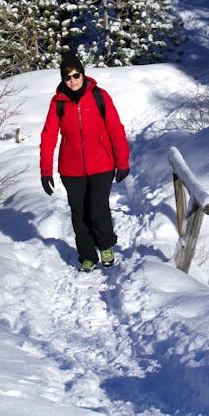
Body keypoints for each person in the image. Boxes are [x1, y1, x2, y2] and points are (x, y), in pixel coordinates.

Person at [40, 52, 130, 272]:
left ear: (83, 73)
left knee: (98, 208)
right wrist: (45, 170)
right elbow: (49, 135)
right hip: (71, 169)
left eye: (75, 74)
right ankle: (87, 255)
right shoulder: (58, 102)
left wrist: (123, 161)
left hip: (102, 164)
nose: (72, 80)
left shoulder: (99, 96)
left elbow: (115, 129)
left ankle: (106, 245)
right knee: (79, 213)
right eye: (67, 76)